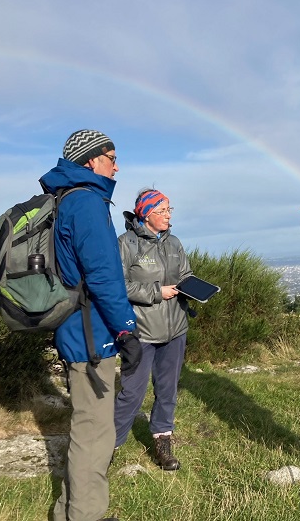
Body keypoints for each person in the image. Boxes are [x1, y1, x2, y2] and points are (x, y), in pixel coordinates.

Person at [40, 129, 142, 521]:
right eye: (111, 157)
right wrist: (125, 330)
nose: (117, 165)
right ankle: (86, 516)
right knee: (94, 432)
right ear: (89, 161)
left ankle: (68, 510)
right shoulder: (86, 203)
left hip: (76, 329)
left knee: (86, 426)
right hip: (91, 334)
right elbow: (104, 276)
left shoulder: (66, 198)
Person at [113, 188, 192, 470]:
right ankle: (109, 445)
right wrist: (156, 292)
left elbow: (186, 274)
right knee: (132, 393)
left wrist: (193, 287)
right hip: (141, 331)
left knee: (168, 390)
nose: (169, 215)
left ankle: (162, 443)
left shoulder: (174, 243)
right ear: (146, 214)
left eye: (170, 209)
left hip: (176, 328)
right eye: (163, 210)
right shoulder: (126, 243)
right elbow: (117, 284)